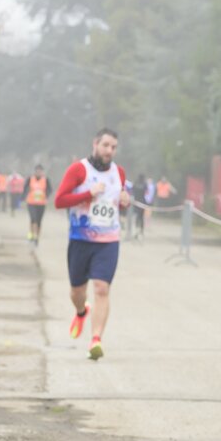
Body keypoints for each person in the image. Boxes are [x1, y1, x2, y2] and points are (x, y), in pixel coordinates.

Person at [54, 129, 132, 361]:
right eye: (106, 145)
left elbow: (117, 203)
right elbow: (59, 200)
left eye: (114, 147)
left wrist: (125, 202)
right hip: (80, 240)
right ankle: (81, 311)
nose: (109, 151)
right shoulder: (79, 170)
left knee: (101, 288)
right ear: (95, 144)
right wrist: (88, 194)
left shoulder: (119, 172)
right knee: (77, 291)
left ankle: (96, 340)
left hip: (108, 241)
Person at [24, 164, 51, 243]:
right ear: (35, 171)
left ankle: (37, 237)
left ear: (42, 172)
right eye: (37, 171)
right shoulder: (30, 179)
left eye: (40, 171)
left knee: (39, 221)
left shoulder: (46, 180)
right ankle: (31, 235)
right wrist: (25, 195)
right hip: (31, 203)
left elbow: (49, 189)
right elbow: (25, 188)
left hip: (41, 203)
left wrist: (46, 194)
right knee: (33, 219)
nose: (38, 172)